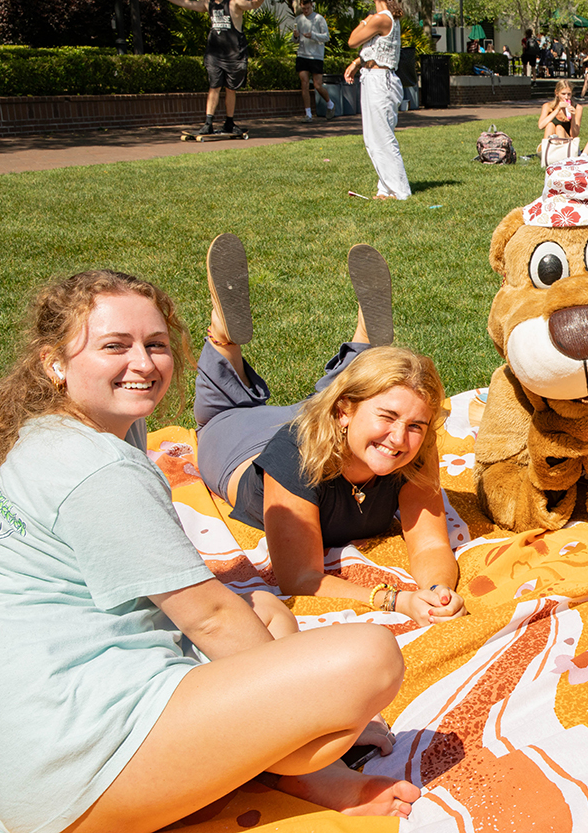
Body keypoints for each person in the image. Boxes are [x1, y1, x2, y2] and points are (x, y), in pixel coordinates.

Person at [0, 269, 421, 833]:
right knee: (369, 658)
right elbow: (209, 617)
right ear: (54, 363)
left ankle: (296, 766)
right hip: (75, 770)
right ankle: (308, 766)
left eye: (156, 344)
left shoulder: (59, 433)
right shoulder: (97, 469)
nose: (142, 362)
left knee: (262, 609)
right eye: (114, 345)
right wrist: (320, 713)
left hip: (28, 742)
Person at [194, 235, 465, 623]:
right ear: (345, 412)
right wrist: (395, 601)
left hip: (327, 420)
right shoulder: (295, 452)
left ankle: (364, 351)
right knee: (220, 409)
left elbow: (430, 545)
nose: (400, 439)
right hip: (240, 439)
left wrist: (437, 591)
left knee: (337, 405)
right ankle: (223, 337)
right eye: (388, 417)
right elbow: (301, 578)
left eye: (415, 425)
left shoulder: (413, 446)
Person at [151, 0, 264, 136]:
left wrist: (258, 2)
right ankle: (208, 123)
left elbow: (250, 5)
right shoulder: (208, 4)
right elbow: (186, 4)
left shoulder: (235, 2)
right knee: (214, 86)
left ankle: (229, 123)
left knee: (231, 89)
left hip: (234, 54)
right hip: (214, 54)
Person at [343, 0, 410, 200]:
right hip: (376, 78)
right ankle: (386, 189)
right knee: (374, 139)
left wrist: (366, 19)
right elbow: (374, 50)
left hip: (381, 82)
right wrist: (357, 63)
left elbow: (352, 40)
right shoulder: (387, 18)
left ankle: (400, 191)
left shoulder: (380, 18)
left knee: (381, 138)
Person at [293, 0, 334, 121]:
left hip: (316, 55)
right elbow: (295, 40)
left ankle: (330, 104)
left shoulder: (319, 19)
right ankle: (308, 114)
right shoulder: (298, 20)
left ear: (311, 5)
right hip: (302, 54)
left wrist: (313, 35)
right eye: (303, 8)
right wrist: (295, 36)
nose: (305, 11)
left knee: (317, 85)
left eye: (307, 8)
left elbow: (326, 36)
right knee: (304, 82)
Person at [538, 79, 583, 163]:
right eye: (563, 94)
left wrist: (573, 116)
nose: (566, 97)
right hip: (552, 140)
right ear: (557, 93)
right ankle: (547, 154)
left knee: (559, 128)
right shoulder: (548, 106)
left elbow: (574, 135)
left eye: (569, 94)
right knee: (550, 125)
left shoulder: (577, 108)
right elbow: (541, 125)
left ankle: (562, 158)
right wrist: (557, 109)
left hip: (568, 143)